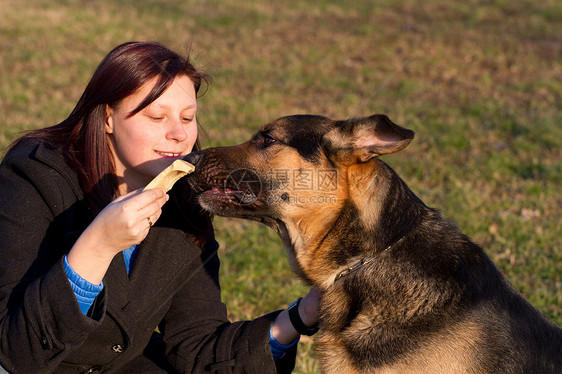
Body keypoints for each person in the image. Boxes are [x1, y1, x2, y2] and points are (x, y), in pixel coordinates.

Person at [0, 41, 320, 374]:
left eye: (188, 117)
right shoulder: (33, 177)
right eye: (156, 116)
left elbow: (197, 345)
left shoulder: (185, 199)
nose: (179, 134)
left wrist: (302, 315)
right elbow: (14, 354)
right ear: (108, 117)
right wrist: (98, 246)